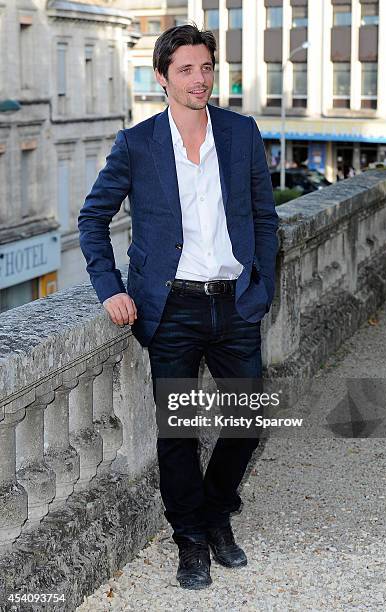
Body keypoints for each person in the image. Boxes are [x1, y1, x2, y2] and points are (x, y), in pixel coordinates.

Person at [78, 23, 279, 590]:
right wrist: (110, 288)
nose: (200, 78)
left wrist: (260, 285)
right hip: (171, 309)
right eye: (186, 69)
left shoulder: (241, 134)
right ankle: (191, 539)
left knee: (246, 420)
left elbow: (265, 218)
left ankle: (216, 511)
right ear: (161, 77)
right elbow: (93, 220)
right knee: (180, 434)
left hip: (234, 302)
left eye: (207, 67)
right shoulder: (137, 144)